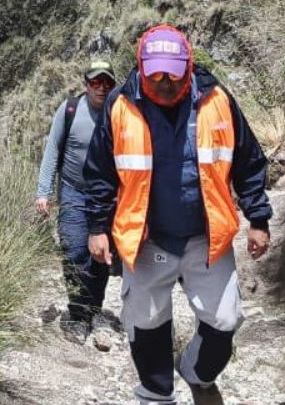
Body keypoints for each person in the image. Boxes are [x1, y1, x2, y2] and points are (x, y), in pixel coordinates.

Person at [83, 24, 272, 405]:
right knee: (145, 321)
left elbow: (248, 161)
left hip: (207, 237)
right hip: (147, 239)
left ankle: (195, 371)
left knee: (225, 321)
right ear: (140, 66)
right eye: (155, 74)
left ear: (188, 65)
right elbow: (99, 172)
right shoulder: (122, 106)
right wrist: (98, 227)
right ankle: (156, 392)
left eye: (173, 72)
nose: (165, 82)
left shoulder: (217, 100)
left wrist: (259, 219)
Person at [35, 59, 117, 340]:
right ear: (86, 84)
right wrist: (43, 192)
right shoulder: (70, 109)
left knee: (100, 256)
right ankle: (77, 313)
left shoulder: (117, 113)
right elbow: (52, 150)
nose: (101, 88)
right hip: (72, 191)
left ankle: (94, 311)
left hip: (104, 195)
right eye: (96, 82)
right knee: (73, 252)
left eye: (107, 82)